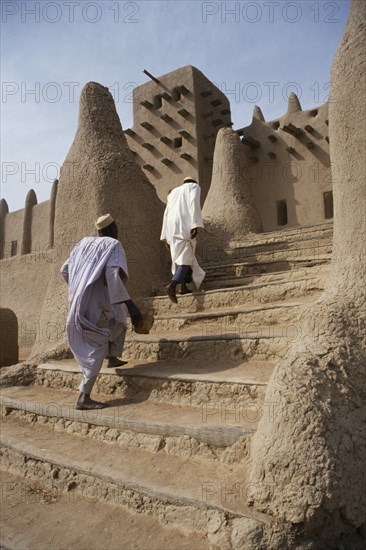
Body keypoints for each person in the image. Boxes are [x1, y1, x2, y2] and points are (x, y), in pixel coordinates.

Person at [61, 214, 141, 410]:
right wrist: (133, 307)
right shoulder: (114, 245)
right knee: (96, 344)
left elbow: (64, 270)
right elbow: (113, 277)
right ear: (113, 229)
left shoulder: (83, 244)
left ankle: (112, 356)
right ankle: (84, 396)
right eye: (116, 229)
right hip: (96, 303)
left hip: (81, 299)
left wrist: (79, 287)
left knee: (118, 316)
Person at [161, 176, 205, 303]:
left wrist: (165, 237)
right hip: (184, 226)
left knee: (179, 258)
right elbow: (194, 203)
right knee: (185, 258)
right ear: (193, 182)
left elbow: (166, 213)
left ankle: (183, 287)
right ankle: (172, 285)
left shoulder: (173, 192)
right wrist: (195, 224)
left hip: (171, 228)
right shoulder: (194, 187)